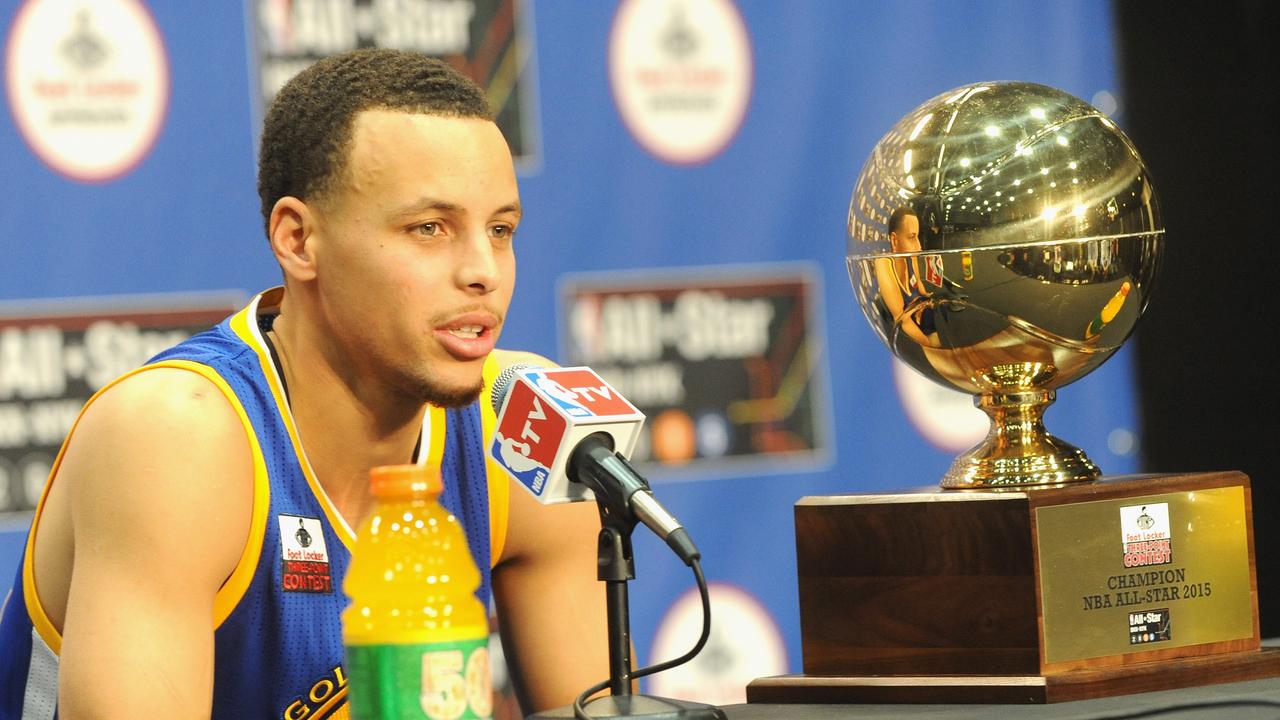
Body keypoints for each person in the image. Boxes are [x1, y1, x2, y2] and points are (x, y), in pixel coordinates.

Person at [0, 48, 608, 718]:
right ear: (297, 239)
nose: (484, 270)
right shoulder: (178, 435)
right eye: (430, 228)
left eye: (501, 229)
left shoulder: (523, 423)